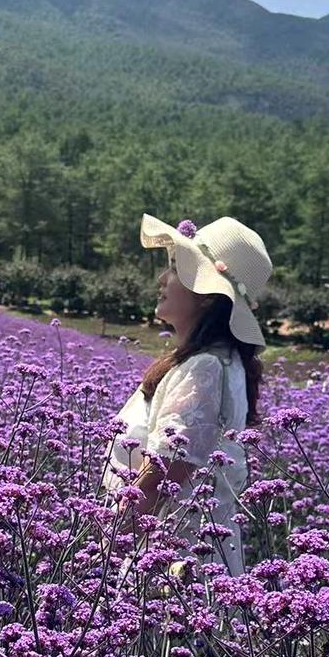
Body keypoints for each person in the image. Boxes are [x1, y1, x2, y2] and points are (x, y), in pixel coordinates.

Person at [101, 213, 271, 579]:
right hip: (182, 563)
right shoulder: (220, 362)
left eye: (177, 269)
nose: (162, 279)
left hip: (171, 572)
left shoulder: (205, 369)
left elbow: (159, 481)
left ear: (207, 297)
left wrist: (97, 556)